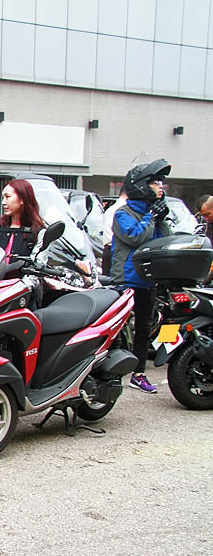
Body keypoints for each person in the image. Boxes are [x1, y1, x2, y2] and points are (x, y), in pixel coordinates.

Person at [110, 160, 173, 394]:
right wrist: (150, 217)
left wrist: (161, 218)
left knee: (144, 329)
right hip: (126, 280)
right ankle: (109, 373)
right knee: (117, 329)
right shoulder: (122, 214)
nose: (160, 187)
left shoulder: (151, 214)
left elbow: (163, 241)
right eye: (155, 182)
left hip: (148, 279)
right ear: (140, 185)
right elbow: (134, 236)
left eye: (161, 183)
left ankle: (139, 373)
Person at [0, 179, 46, 258]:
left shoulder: (38, 232)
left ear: (22, 198)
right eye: (3, 197)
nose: (3, 202)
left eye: (7, 196)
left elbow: (39, 263)